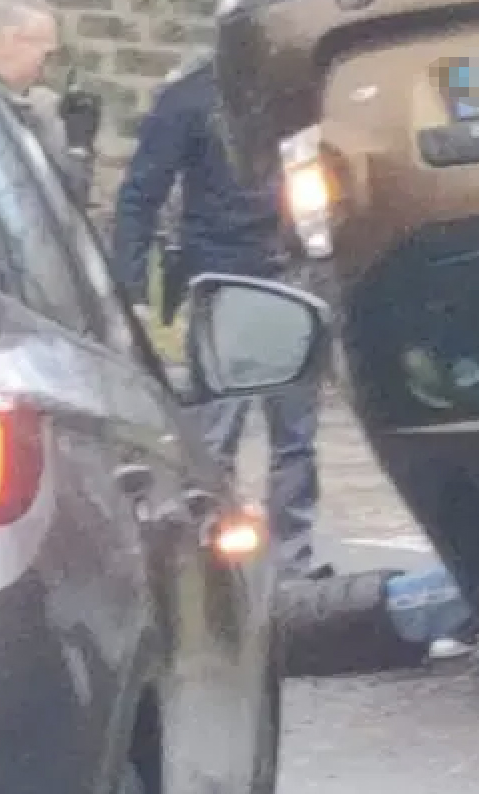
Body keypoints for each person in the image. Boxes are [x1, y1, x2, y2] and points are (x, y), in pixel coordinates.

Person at [111, 49, 328, 580]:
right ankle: (209, 554)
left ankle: (290, 561)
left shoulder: (305, 96)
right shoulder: (191, 96)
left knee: (294, 436)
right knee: (215, 435)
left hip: (293, 271)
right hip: (225, 275)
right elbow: (141, 192)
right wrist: (132, 286)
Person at [0, 0, 94, 208]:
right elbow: (51, 202)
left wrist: (77, 145)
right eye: (45, 55)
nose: (46, 70)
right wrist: (77, 153)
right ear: (11, 40)